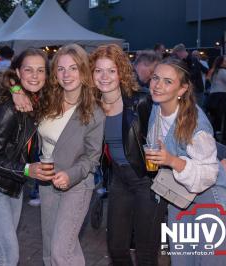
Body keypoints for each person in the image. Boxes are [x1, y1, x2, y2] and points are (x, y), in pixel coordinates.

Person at [145, 57, 226, 265]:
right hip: (180, 195)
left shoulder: (196, 123)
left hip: (211, 197)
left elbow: (208, 173)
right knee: (181, 259)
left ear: (182, 89)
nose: (158, 85)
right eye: (156, 78)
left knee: (209, 260)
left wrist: (171, 160)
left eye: (168, 81)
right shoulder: (156, 109)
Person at [0, 48, 50, 266]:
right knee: (8, 253)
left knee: (3, 250)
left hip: (13, 183)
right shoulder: (7, 108)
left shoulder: (36, 100)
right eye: (28, 70)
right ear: (18, 72)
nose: (34, 76)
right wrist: (26, 170)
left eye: (40, 70)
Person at [89, 44, 167, 266]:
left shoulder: (141, 100)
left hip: (147, 179)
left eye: (111, 71)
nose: (104, 77)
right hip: (118, 180)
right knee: (116, 247)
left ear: (121, 72)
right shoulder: (93, 105)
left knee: (145, 250)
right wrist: (16, 92)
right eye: (98, 70)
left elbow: (179, 120)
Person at [36, 43, 105, 265]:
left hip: (77, 185)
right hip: (46, 182)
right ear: (54, 72)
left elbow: (92, 158)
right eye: (61, 68)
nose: (66, 74)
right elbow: (14, 81)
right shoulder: (48, 100)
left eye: (73, 68)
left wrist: (70, 175)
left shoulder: (94, 110)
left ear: (84, 71)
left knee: (61, 251)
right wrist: (16, 91)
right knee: (50, 248)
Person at [207, 55, 226, 144]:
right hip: (223, 96)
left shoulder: (214, 71)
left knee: (216, 118)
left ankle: (213, 138)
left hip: (213, 96)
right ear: (221, 62)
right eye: (225, 61)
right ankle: (225, 139)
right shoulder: (223, 71)